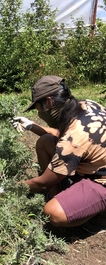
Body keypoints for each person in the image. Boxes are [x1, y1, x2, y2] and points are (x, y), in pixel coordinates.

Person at [12, 75, 106, 233]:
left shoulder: (73, 140)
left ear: (48, 102)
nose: (39, 114)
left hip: (101, 180)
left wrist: (9, 189)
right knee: (45, 141)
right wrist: (31, 125)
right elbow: (63, 134)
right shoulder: (87, 105)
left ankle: (100, 216)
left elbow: (43, 183)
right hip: (95, 163)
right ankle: (62, 196)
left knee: (53, 213)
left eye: (38, 109)